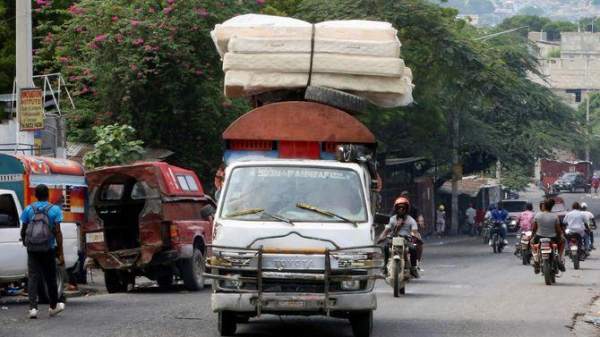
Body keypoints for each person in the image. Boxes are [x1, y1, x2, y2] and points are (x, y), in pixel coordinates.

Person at [20, 184, 65, 319]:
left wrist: (24, 241)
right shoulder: (54, 210)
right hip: (48, 248)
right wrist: (61, 252)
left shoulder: (28, 209)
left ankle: (33, 308)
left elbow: (24, 229)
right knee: (50, 277)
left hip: (32, 248)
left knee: (33, 277)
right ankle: (53, 307)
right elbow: (57, 232)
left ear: (35, 195)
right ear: (48, 194)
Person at [377, 197, 420, 278]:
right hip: (393, 239)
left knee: (413, 249)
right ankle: (384, 267)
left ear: (407, 209)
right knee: (385, 248)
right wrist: (381, 238)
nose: (401, 209)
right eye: (399, 207)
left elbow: (415, 232)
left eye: (403, 207)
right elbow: (386, 231)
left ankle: (413, 268)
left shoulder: (411, 220)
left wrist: (416, 238)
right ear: (396, 208)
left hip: (406, 240)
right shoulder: (392, 219)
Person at [531, 198, 565, 273]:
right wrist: (560, 234)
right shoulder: (555, 216)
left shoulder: (538, 215)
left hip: (539, 237)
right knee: (563, 241)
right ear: (551, 207)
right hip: (553, 238)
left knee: (531, 242)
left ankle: (536, 257)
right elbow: (558, 230)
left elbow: (534, 228)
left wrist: (532, 236)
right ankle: (559, 258)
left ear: (544, 206)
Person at [397, 191, 424, 269]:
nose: (404, 198)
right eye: (403, 196)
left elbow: (419, 216)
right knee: (387, 245)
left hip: (410, 231)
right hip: (397, 231)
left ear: (409, 198)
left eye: (406, 196)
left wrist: (421, 221)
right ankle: (386, 265)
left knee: (419, 241)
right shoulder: (396, 207)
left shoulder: (413, 208)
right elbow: (390, 218)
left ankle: (417, 262)